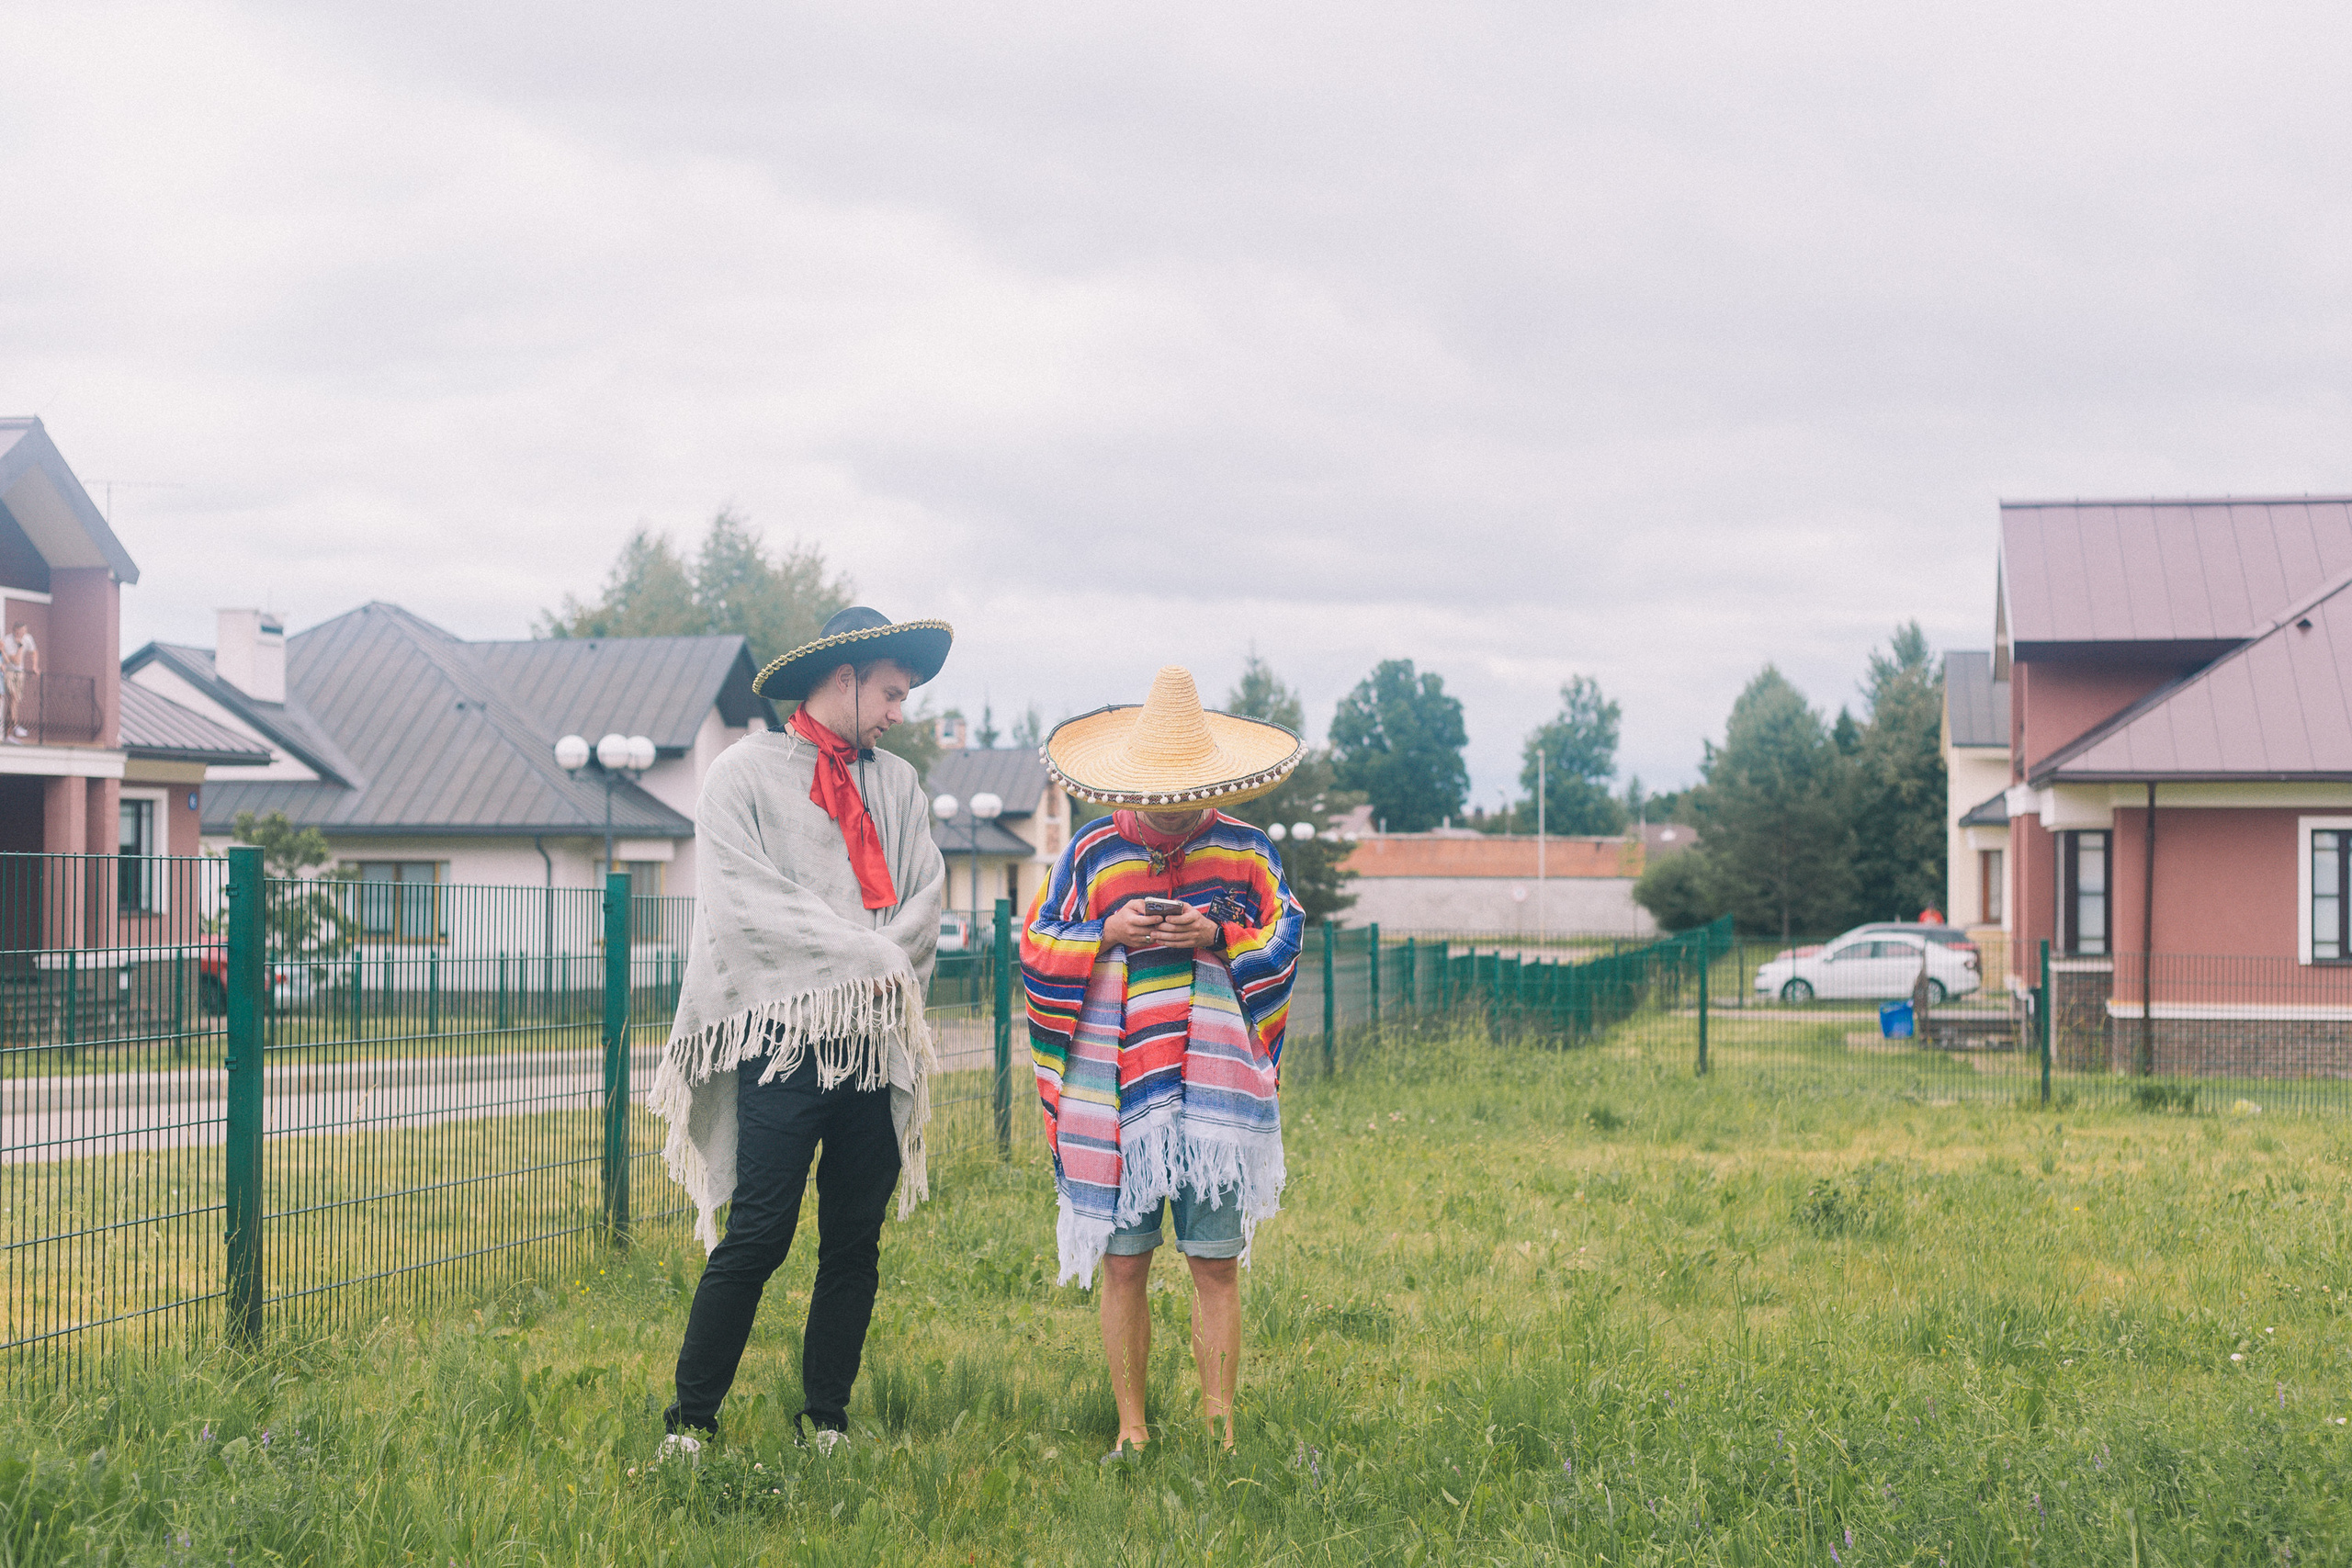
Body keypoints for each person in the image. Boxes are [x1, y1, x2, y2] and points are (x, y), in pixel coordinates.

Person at [650, 606, 952, 1458]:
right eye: (890, 692)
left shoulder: (900, 786)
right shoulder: (740, 775)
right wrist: (865, 955)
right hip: (784, 1043)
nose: (898, 712)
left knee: (854, 1240)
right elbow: (747, 908)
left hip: (875, 1042)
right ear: (843, 678)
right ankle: (691, 1422)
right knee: (759, 1232)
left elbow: (925, 898)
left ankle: (827, 1417)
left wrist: (874, 964)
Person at [1022, 665, 1306, 1459]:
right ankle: (1132, 1428)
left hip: (1217, 1104)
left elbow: (1286, 935)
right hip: (1118, 1098)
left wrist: (1216, 934)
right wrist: (1106, 932)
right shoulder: (1092, 851)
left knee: (1217, 1266)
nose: (1171, 806)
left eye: (1185, 790)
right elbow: (1038, 944)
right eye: (1157, 790)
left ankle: (1220, 1429)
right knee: (1125, 1265)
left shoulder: (1247, 849)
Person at [1, 622, 36, 740]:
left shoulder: (27, 638)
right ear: (16, 631)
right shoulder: (8, 641)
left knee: (14, 702)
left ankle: (9, 733)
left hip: (20, 673)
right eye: (21, 631)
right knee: (14, 697)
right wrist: (20, 647)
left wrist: (35, 666)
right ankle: (15, 726)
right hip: (9, 673)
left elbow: (34, 651)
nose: (23, 634)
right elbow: (16, 661)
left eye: (24, 631)